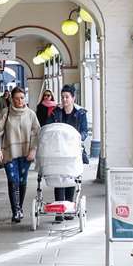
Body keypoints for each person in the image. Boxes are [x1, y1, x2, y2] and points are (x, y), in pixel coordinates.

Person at [0, 84, 39, 222]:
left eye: (22, 98)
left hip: (26, 153)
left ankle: (20, 207)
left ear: (25, 98)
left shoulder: (31, 114)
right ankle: (16, 210)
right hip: (9, 152)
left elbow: (36, 133)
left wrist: (33, 150)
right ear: (12, 99)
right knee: (13, 180)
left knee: (22, 180)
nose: (19, 101)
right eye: (16, 98)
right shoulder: (6, 113)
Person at [50, 84, 89, 219]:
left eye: (67, 97)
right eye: (63, 97)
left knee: (71, 176)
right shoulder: (56, 112)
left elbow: (84, 131)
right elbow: (49, 126)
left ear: (73, 98)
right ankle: (59, 210)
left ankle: (69, 207)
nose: (65, 100)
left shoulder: (80, 113)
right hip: (59, 149)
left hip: (73, 149)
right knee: (58, 177)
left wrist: (79, 138)